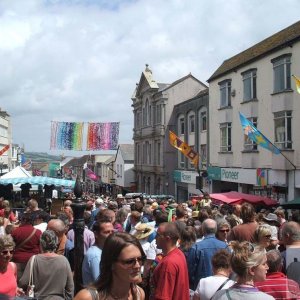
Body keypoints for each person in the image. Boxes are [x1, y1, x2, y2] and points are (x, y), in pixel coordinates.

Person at [74, 232, 145, 300]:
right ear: (111, 264)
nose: (137, 266)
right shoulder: (87, 297)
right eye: (129, 261)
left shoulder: (139, 294)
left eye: (140, 259)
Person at [19, 230, 74, 299]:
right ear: (56, 243)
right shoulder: (64, 261)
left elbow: (23, 282)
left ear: (41, 244)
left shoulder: (34, 260)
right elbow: (70, 288)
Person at [151, 222, 189, 300]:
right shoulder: (179, 253)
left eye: (158, 235)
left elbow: (163, 297)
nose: (155, 238)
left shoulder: (168, 263)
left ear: (167, 238)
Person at [187, 219, 228, 290]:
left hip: (202, 289)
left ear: (203, 230)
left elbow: (190, 271)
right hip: (222, 289)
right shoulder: (225, 246)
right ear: (216, 230)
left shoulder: (196, 247)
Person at [82, 220, 114, 285]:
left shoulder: (104, 250)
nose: (111, 235)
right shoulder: (95, 255)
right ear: (96, 234)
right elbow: (100, 283)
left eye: (112, 231)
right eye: (107, 232)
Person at [11, 212, 42, 280]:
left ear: (24, 220)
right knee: (31, 281)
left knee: (18, 281)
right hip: (32, 261)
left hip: (17, 260)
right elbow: (41, 248)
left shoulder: (16, 231)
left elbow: (11, 246)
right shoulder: (38, 232)